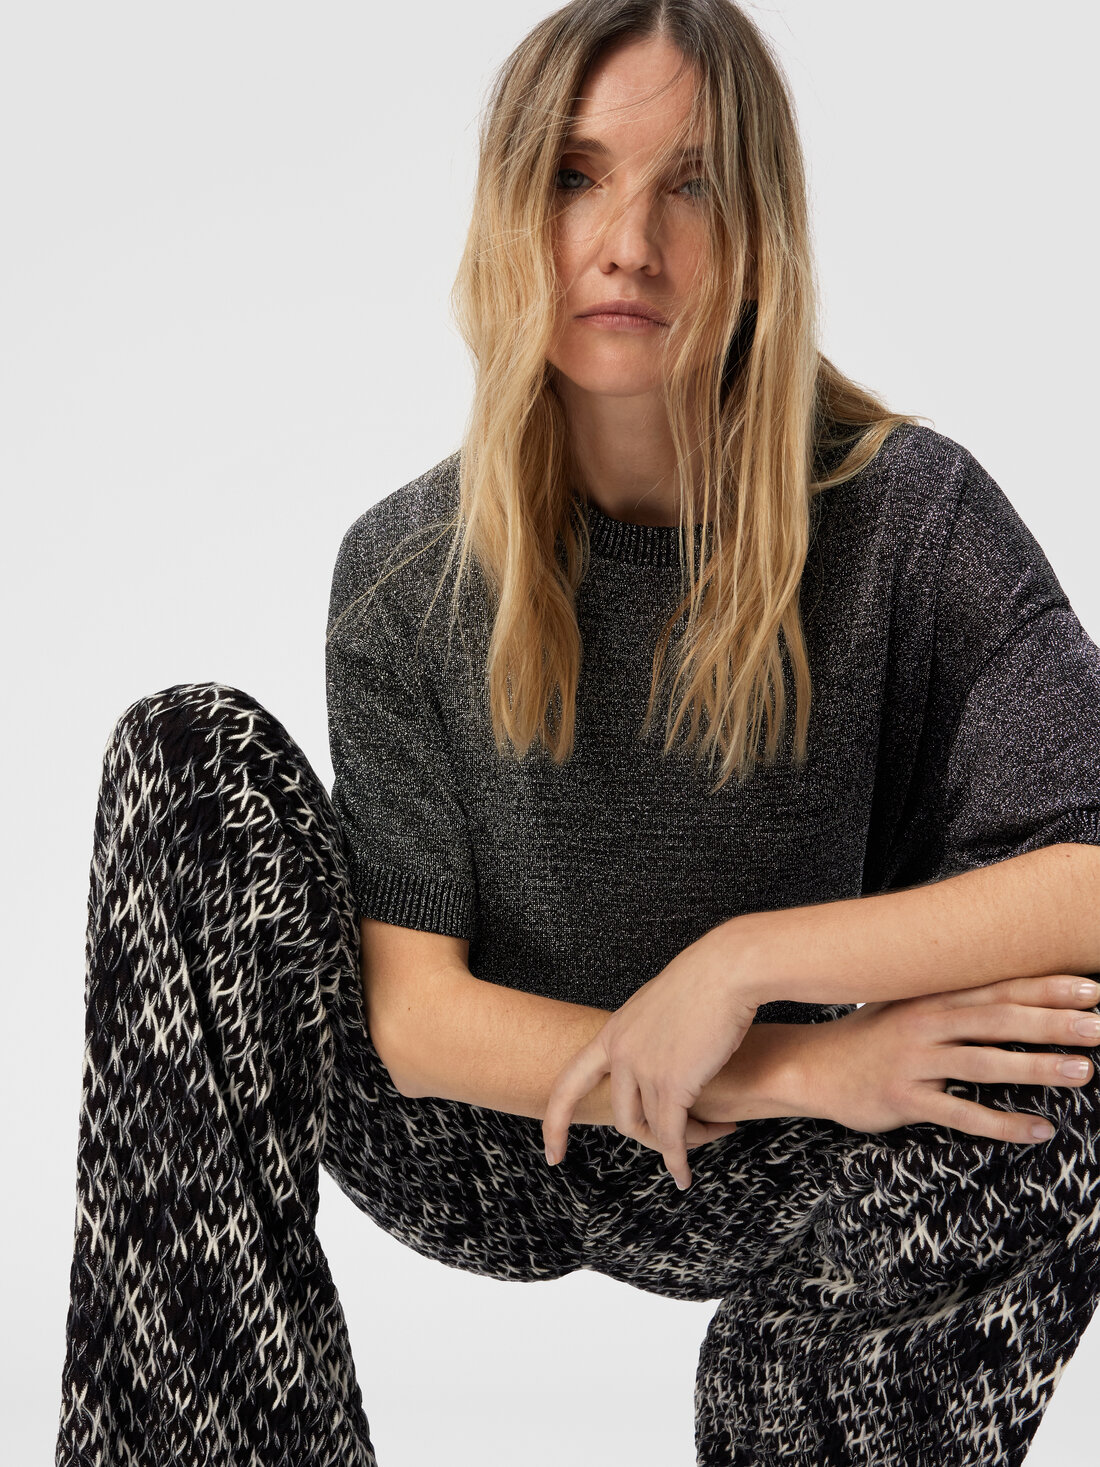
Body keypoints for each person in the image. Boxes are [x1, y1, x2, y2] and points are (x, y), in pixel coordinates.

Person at [55, 3, 1100, 1465]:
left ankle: (815, 1431)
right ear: (510, 217)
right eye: (574, 176)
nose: (629, 244)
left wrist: (743, 968)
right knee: (186, 764)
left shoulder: (910, 519)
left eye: (692, 184)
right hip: (498, 1134)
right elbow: (415, 1020)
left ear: (761, 235)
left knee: (1073, 1048)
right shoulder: (410, 570)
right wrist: (766, 1062)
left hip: (811, 1167)